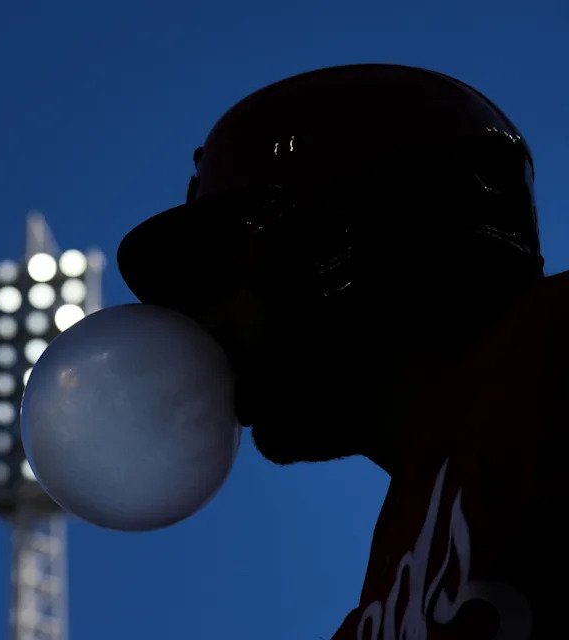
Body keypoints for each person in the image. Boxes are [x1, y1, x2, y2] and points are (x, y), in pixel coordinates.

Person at [117, 64, 566, 639]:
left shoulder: (553, 350)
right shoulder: (390, 582)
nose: (205, 328)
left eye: (225, 278)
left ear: (332, 247)